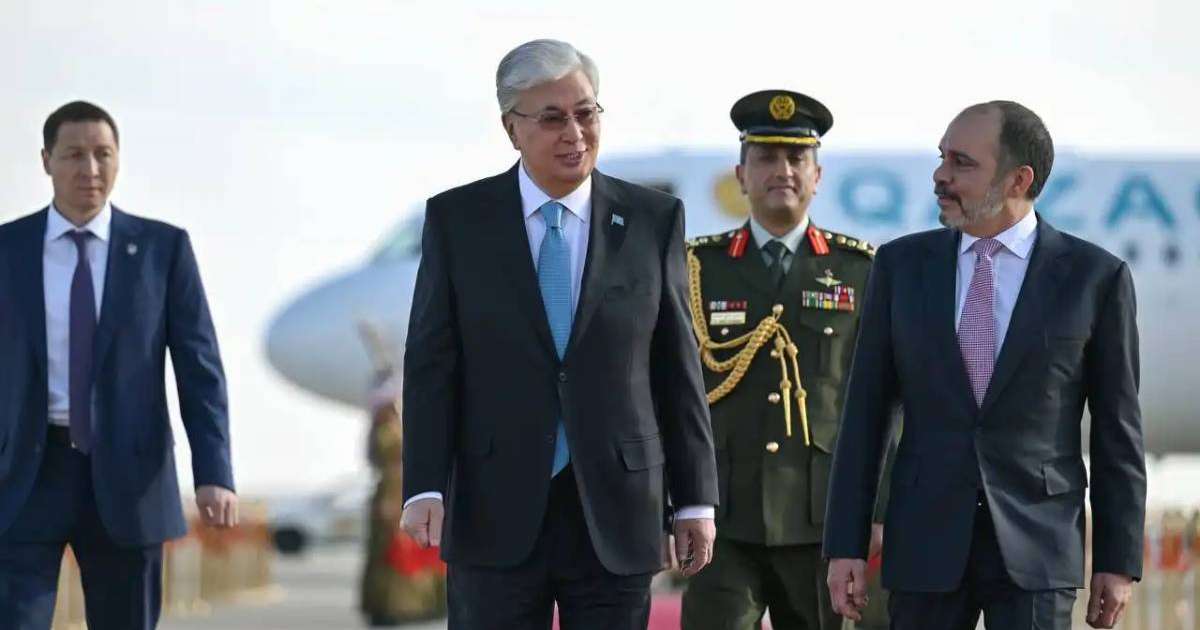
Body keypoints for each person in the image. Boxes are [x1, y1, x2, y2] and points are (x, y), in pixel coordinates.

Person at [398, 39, 719, 630]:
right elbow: (431, 366)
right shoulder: (458, 222)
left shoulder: (653, 220)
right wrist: (423, 486)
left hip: (617, 510)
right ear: (511, 129)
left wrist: (695, 498)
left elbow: (677, 368)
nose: (574, 132)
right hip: (493, 509)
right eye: (551, 118)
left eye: (586, 113)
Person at [824, 101, 1145, 630]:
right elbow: (864, 415)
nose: (940, 175)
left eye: (961, 162)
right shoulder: (901, 267)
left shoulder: (1095, 279)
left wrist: (1118, 561)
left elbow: (1118, 433)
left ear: (1019, 179)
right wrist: (845, 545)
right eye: (941, 157)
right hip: (925, 545)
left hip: (1037, 550)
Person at [0, 101, 237, 630]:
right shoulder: (8, 250)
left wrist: (214, 473)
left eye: (103, 154)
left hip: (129, 479)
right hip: (25, 476)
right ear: (45, 161)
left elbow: (200, 370)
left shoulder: (162, 250)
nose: (90, 169)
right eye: (74, 155)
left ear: (119, 160)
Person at [680, 90, 889, 630]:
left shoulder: (861, 271)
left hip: (825, 522)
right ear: (740, 175)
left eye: (797, 159)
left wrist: (880, 509)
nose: (783, 171)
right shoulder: (696, 269)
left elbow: (887, 401)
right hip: (722, 521)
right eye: (766, 158)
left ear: (817, 176)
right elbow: (670, 395)